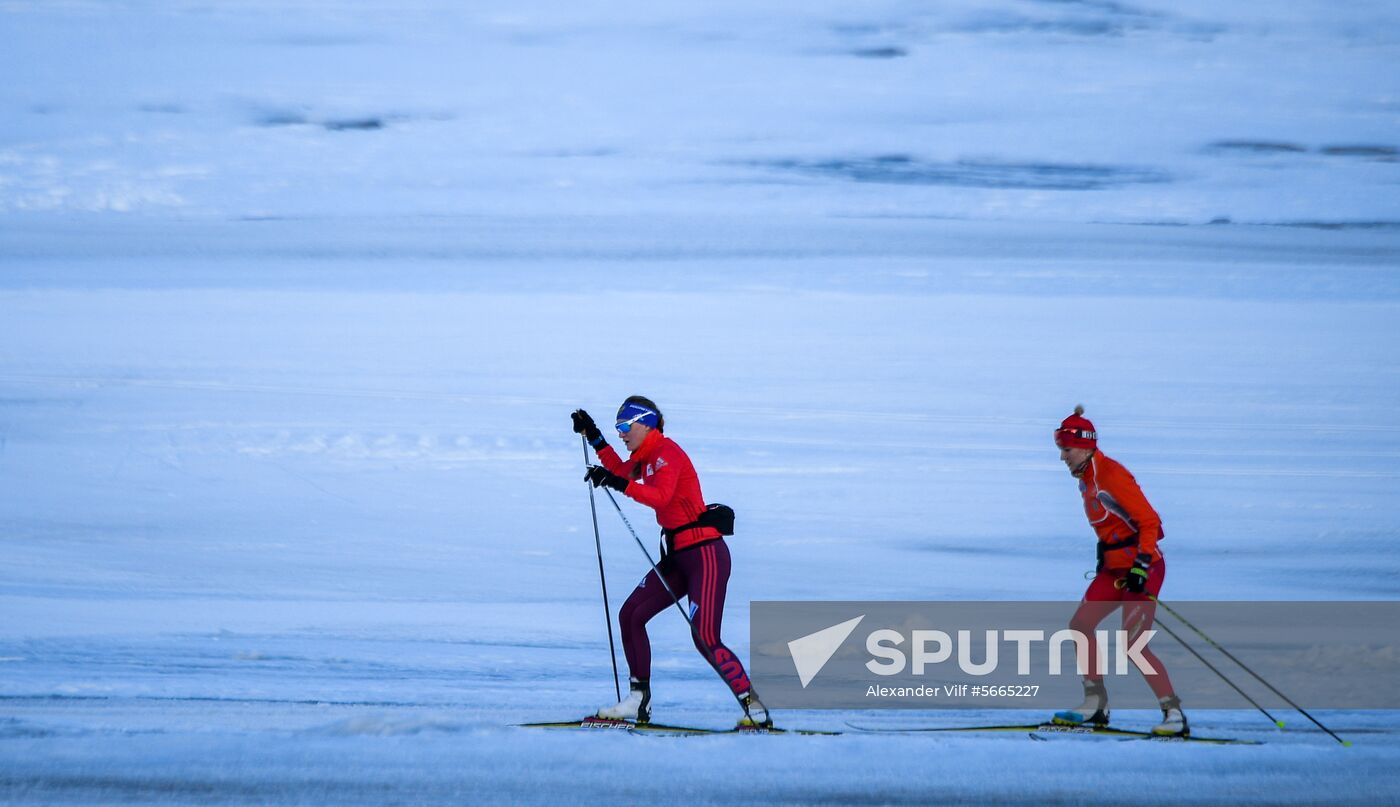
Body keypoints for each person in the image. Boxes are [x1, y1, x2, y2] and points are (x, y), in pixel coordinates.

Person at [571, 396, 769, 728]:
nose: (621, 434)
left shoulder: (667, 454)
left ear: (645, 424)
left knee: (705, 637)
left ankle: (756, 710)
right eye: (617, 429)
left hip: (705, 554)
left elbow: (659, 496)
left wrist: (617, 482)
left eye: (624, 427)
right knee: (631, 615)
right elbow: (621, 470)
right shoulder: (647, 457)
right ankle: (637, 702)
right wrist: (594, 438)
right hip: (679, 556)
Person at [1051, 405, 1188, 737]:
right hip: (1115, 569)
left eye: (1066, 450)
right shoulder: (1087, 478)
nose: (1062, 458)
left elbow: (1149, 521)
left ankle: (1174, 715)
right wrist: (1106, 550)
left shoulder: (1110, 475)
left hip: (1144, 567)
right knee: (1080, 625)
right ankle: (1095, 704)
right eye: (1060, 450)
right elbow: (1113, 524)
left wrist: (1141, 566)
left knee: (1134, 644)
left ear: (1084, 446)